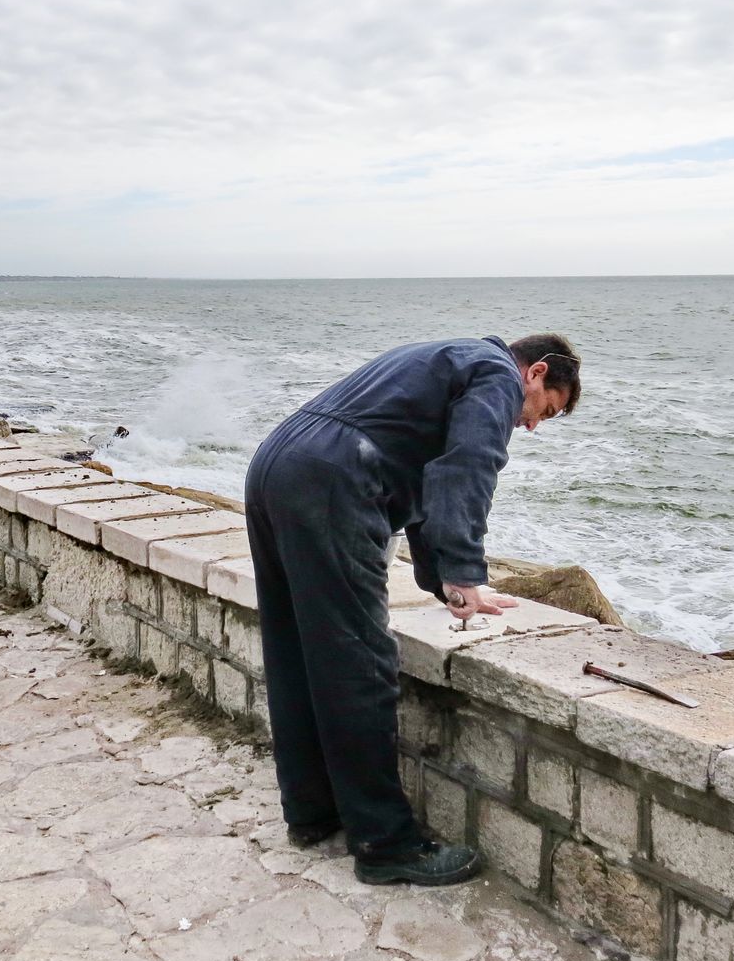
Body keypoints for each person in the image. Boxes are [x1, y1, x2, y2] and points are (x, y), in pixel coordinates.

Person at [245, 332, 582, 886]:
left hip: (279, 464)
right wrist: (467, 570)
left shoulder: (449, 358)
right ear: (536, 372)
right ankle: (385, 845)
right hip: (335, 478)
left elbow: (427, 479)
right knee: (361, 665)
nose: (533, 426)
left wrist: (443, 584)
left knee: (296, 650)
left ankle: (311, 812)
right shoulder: (497, 372)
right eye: (545, 410)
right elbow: (467, 467)